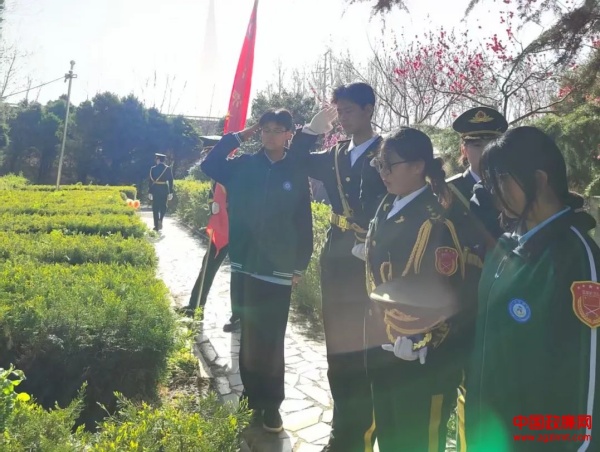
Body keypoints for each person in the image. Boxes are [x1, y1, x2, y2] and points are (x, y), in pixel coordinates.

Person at [464, 127, 600, 451]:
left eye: (501, 179)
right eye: (489, 181)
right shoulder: (504, 247)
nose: (492, 191)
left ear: (539, 180)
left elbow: (587, 379)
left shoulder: (576, 258)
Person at [360, 127, 481, 451]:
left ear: (417, 166)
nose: (383, 173)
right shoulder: (390, 203)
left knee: (417, 440)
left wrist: (422, 339)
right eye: (380, 164)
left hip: (422, 359)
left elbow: (450, 290)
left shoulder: (435, 220)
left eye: (390, 165)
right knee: (390, 436)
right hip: (385, 346)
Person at [200, 109, 316, 433]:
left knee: (272, 339)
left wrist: (300, 265)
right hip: (246, 264)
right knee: (249, 337)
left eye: (278, 130)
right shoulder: (244, 166)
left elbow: (303, 220)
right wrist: (240, 135)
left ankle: (272, 405)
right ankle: (251, 396)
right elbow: (210, 164)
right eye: (265, 129)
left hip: (278, 268)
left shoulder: (295, 169)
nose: (270, 135)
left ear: (289, 133)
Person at [292, 82, 386, 452]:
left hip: (374, 262)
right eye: (339, 111)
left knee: (367, 351)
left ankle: (361, 433)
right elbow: (296, 159)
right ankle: (343, 429)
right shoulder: (334, 155)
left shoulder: (388, 152)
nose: (342, 118)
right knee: (338, 350)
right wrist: (311, 131)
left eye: (348, 110)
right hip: (337, 259)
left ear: (368, 110)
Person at [184, 136, 241, 332]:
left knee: (239, 273)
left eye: (211, 152)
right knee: (207, 266)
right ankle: (195, 306)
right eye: (208, 153)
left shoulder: (233, 169)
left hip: (237, 228)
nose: (209, 157)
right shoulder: (217, 174)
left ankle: (238, 316)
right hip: (221, 228)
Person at [447, 107, 509, 242]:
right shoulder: (451, 191)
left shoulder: (512, 186)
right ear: (464, 150)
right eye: (477, 145)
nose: (485, 151)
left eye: (491, 145)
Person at [148, 152, 174, 231]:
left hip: (155, 190)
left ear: (158, 159)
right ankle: (161, 219)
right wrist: (171, 192)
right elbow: (171, 180)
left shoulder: (153, 169)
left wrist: (150, 192)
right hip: (164, 189)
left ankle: (156, 226)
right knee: (163, 206)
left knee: (155, 207)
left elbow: (150, 181)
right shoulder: (167, 168)